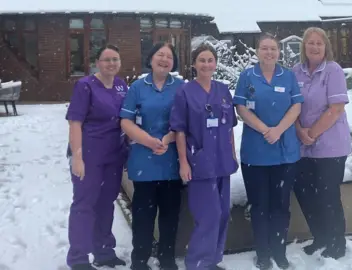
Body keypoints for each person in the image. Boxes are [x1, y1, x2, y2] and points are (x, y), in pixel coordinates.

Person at [233, 33, 304, 270]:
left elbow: (296, 106)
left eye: (273, 49)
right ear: (257, 51)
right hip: (256, 154)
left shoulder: (288, 75)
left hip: (284, 153)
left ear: (278, 52)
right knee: (260, 206)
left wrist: (279, 130)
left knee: (281, 206)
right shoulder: (247, 76)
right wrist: (266, 130)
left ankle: (279, 251)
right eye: (265, 48)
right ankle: (263, 253)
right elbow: (241, 107)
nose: (269, 53)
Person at [169, 43, 238, 270]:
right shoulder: (185, 92)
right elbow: (179, 130)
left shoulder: (223, 90)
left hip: (222, 161)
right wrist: (183, 162)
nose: (206, 64)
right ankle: (198, 263)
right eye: (202, 60)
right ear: (193, 64)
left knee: (223, 213)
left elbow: (230, 128)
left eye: (210, 60)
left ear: (215, 63)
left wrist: (233, 155)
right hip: (199, 161)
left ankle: (212, 260)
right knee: (208, 215)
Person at [119, 42, 185, 270]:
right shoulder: (137, 87)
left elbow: (187, 121)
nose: (164, 59)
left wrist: (167, 139)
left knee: (170, 216)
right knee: (143, 217)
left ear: (173, 62)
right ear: (151, 58)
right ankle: (140, 259)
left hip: (172, 162)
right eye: (160, 54)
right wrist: (148, 140)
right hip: (143, 162)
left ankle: (167, 258)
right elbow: (125, 121)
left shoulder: (180, 87)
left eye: (169, 56)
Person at [65, 44, 128, 270]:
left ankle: (104, 251)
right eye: (107, 59)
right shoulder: (85, 86)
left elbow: (127, 120)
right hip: (89, 154)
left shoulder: (122, 86)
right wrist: (78, 157)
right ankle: (78, 258)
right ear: (97, 63)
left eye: (115, 59)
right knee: (84, 204)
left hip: (114, 154)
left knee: (106, 203)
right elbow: (75, 122)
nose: (111, 63)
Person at [292, 27, 352, 259]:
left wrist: (312, 133)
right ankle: (321, 237)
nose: (315, 47)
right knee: (306, 194)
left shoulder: (333, 71)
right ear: (304, 47)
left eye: (319, 43)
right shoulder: (296, 72)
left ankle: (337, 242)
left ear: (326, 46)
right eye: (310, 43)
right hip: (304, 147)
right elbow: (292, 106)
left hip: (330, 147)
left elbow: (336, 108)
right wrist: (299, 131)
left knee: (328, 196)